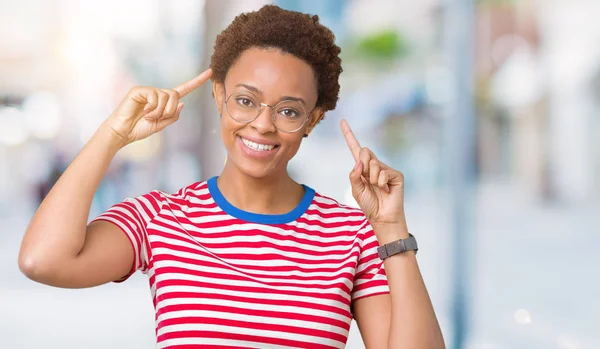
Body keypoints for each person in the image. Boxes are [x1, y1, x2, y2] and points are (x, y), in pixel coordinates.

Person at [18, 5, 444, 349]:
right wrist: (112, 135)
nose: (262, 124)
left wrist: (391, 228)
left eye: (289, 111)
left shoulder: (351, 235)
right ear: (220, 96)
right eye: (245, 100)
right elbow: (43, 261)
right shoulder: (160, 219)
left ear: (313, 120)